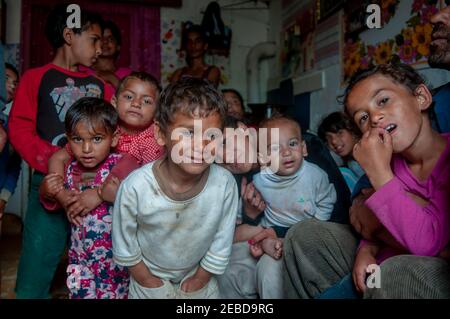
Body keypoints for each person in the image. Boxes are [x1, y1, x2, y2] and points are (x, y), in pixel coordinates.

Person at [283, 63, 450, 299]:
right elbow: (370, 225)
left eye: (383, 101)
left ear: (421, 98)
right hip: (377, 267)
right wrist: (366, 251)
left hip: (406, 273)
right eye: (363, 117)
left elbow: (426, 245)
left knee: (395, 272)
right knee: (304, 233)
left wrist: (380, 174)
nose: (374, 117)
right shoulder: (392, 163)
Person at [8, 4, 112, 298]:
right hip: (49, 186)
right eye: (93, 39)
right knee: (37, 262)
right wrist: (56, 160)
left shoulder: (100, 86)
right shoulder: (35, 78)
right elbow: (20, 128)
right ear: (69, 35)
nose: (100, 49)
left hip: (95, 189)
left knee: (99, 263)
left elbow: (116, 131)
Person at [112, 77, 238, 299]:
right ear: (161, 134)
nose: (202, 145)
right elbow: (125, 242)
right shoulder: (136, 187)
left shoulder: (225, 184)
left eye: (212, 135)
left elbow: (222, 239)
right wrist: (147, 280)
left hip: (199, 274)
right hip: (146, 277)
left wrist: (201, 277)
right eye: (189, 133)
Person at [40, 97, 138, 298]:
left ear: (115, 138)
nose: (86, 149)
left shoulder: (122, 163)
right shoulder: (69, 168)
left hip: (116, 262)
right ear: (68, 139)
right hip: (78, 260)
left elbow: (139, 202)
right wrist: (49, 190)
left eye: (96, 139)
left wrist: (104, 194)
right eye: (77, 139)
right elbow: (52, 203)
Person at [46, 71, 165, 224]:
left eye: (147, 101)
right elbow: (58, 157)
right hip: (88, 216)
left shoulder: (153, 141)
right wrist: (60, 192)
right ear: (114, 102)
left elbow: (149, 187)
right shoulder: (102, 126)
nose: (136, 103)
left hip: (129, 216)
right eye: (129, 97)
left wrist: (99, 194)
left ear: (157, 112)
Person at [234, 115, 336, 261]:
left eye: (292, 144)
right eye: (275, 148)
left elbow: (327, 201)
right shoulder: (259, 180)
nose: (286, 152)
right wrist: (239, 217)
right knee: (240, 235)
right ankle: (267, 243)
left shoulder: (316, 175)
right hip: (271, 226)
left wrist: (316, 227)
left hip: (307, 226)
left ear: (304, 148)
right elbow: (244, 203)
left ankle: (272, 244)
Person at [318, 112, 363, 192]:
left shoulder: (370, 155)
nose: (334, 141)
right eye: (328, 138)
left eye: (340, 133)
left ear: (353, 131)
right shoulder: (351, 164)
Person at [81, 20, 131, 92]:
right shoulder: (81, 70)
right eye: (101, 38)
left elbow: (132, 99)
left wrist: (112, 79)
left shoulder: (128, 75)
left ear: (118, 46)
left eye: (110, 39)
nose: (105, 42)